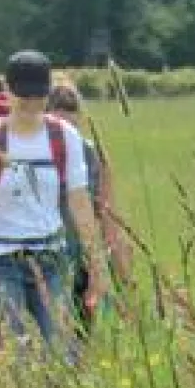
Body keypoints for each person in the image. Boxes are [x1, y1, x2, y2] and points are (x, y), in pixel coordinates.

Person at [0, 51, 104, 362]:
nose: (29, 104)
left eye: (37, 97)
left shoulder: (65, 138)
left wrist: (96, 266)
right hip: (2, 262)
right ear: (7, 91)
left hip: (52, 259)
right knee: (16, 355)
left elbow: (80, 204)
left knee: (64, 352)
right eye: (22, 96)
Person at [47, 79, 132, 335]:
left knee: (79, 341)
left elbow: (108, 220)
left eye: (71, 127)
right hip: (43, 261)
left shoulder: (94, 157)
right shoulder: (30, 155)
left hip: (82, 261)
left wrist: (122, 278)